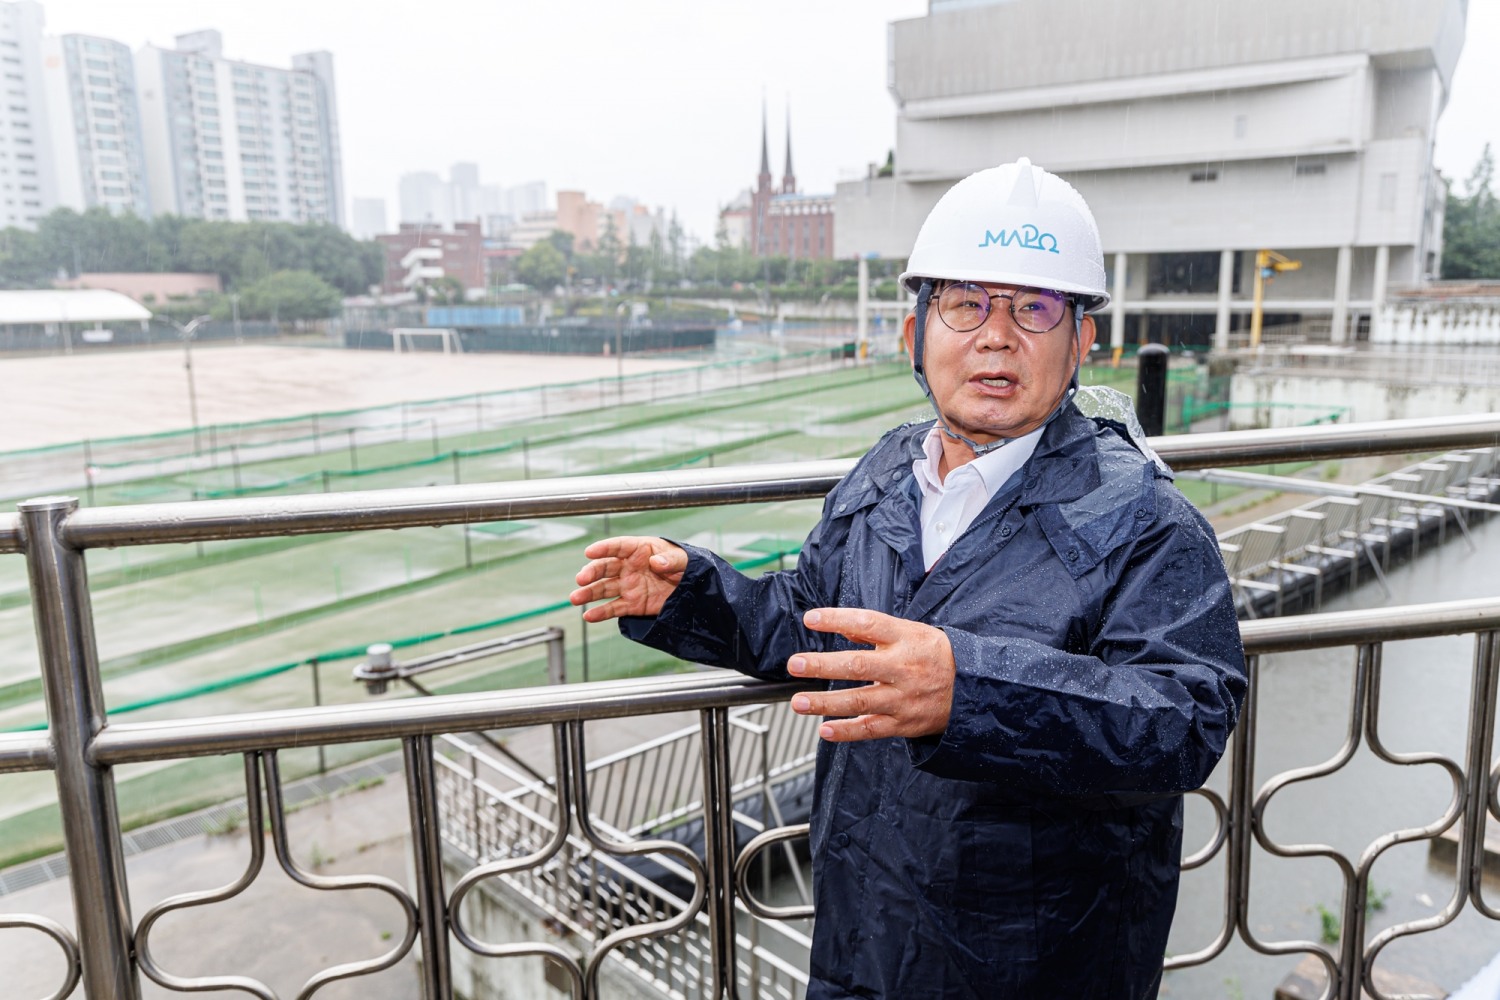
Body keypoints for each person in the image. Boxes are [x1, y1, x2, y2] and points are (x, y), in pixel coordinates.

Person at [569, 158, 1246, 1000]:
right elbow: (817, 626)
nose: (996, 336)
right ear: (915, 331)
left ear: (1080, 343)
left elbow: (1186, 718)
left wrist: (968, 691)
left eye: (1034, 309)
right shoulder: (890, 469)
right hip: (865, 932)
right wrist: (694, 595)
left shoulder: (1144, 517)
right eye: (966, 304)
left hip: (1037, 962)